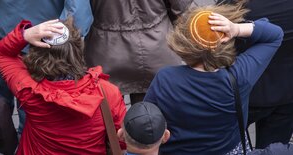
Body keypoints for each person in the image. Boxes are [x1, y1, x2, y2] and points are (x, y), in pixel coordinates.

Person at [143, 2, 284, 155]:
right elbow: (275, 35)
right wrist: (236, 29)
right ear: (226, 43)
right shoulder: (239, 76)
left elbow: (148, 117)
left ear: (183, 44)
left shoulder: (165, 78)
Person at [0, 18, 126, 154]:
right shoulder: (107, 92)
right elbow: (122, 138)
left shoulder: (30, 91)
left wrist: (25, 34)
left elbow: (2, 54)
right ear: (77, 50)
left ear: (37, 56)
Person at [0, 0, 93, 135]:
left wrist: (22, 36)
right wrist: (61, 41)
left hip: (11, 25)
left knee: (0, 91)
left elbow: (2, 54)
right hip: (45, 44)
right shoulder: (105, 91)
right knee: (30, 110)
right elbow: (78, 15)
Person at [84, 0, 194, 104]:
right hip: (156, 48)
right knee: (149, 118)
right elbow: (180, 6)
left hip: (106, 52)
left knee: (110, 116)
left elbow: (78, 14)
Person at [218, 0, 293, 149]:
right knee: (273, 148)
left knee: (228, 144)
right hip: (287, 93)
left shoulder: (238, 6)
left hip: (245, 92)